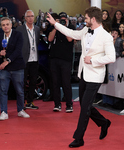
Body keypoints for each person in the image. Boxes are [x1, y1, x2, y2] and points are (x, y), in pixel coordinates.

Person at [46, 6, 116, 148]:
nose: (84, 20)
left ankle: (79, 138)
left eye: (86, 18)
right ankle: (103, 122)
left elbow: (111, 57)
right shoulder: (85, 30)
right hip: (84, 74)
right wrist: (55, 24)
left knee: (84, 108)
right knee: (86, 106)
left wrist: (93, 60)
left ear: (93, 19)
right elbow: (71, 32)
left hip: (95, 76)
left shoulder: (106, 36)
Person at [0, 17, 30, 120]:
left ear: (11, 25)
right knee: (3, 90)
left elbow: (18, 51)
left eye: (7, 24)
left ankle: (20, 110)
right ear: (1, 26)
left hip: (17, 67)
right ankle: (3, 112)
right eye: (3, 25)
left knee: (19, 90)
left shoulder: (18, 35)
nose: (5, 26)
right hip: (4, 69)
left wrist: (7, 61)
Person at [48, 12, 75, 113]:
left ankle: (69, 104)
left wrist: (64, 27)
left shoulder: (71, 27)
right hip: (54, 59)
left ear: (67, 20)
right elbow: (50, 39)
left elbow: (69, 39)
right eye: (61, 19)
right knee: (55, 82)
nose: (63, 21)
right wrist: (56, 26)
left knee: (66, 82)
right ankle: (57, 104)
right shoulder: (55, 27)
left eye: (65, 19)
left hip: (66, 60)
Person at [17, 10, 40, 109]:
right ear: (25, 18)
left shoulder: (37, 29)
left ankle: (30, 101)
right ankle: (21, 103)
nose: (31, 18)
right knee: (22, 82)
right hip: (24, 59)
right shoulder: (19, 29)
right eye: (29, 16)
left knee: (33, 81)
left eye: (32, 16)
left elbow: (37, 42)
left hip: (35, 59)